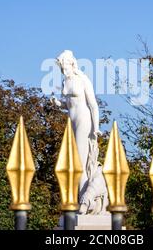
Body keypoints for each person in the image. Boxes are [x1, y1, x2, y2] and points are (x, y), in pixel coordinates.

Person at [51, 50, 108, 215]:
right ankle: (82, 199)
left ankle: (85, 202)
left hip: (84, 121)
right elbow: (70, 104)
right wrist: (58, 103)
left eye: (64, 64)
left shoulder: (82, 79)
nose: (62, 67)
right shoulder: (65, 81)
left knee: (80, 163)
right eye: (61, 65)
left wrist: (96, 127)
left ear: (70, 63)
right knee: (76, 163)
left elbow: (93, 105)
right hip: (73, 122)